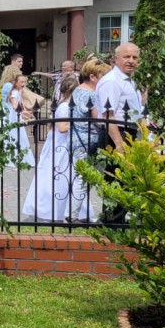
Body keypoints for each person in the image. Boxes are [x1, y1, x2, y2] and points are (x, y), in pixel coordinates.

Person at [95, 42, 144, 223]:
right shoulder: (112, 81)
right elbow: (109, 115)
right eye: (126, 57)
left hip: (128, 131)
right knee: (115, 178)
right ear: (116, 58)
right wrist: (119, 144)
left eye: (134, 57)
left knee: (124, 179)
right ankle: (112, 222)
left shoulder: (127, 80)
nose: (131, 61)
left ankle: (118, 219)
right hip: (116, 133)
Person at [22, 77, 80, 222]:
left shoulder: (67, 105)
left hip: (62, 144)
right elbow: (62, 128)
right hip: (61, 145)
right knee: (58, 174)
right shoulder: (65, 107)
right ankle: (51, 209)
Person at [66, 58, 109, 221]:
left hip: (76, 139)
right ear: (93, 77)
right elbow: (99, 121)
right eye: (103, 77)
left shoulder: (77, 91)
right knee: (87, 178)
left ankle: (73, 215)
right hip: (88, 142)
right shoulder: (91, 94)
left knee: (83, 178)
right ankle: (72, 216)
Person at [6, 73, 36, 168]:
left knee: (21, 136)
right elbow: (15, 106)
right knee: (16, 135)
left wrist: (26, 112)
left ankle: (21, 157)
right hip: (14, 117)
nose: (23, 84)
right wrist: (23, 113)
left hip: (18, 116)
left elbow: (22, 104)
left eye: (24, 82)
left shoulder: (19, 91)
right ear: (16, 83)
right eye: (21, 82)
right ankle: (14, 158)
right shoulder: (14, 92)